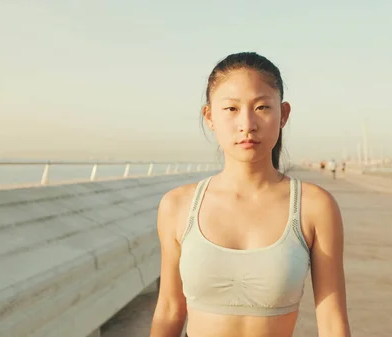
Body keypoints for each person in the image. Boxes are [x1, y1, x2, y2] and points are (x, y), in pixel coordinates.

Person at [149, 52, 351, 337]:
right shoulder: (178, 206)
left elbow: (332, 323)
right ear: (209, 116)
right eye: (231, 109)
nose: (247, 124)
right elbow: (170, 309)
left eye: (262, 107)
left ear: (284, 114)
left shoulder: (313, 206)